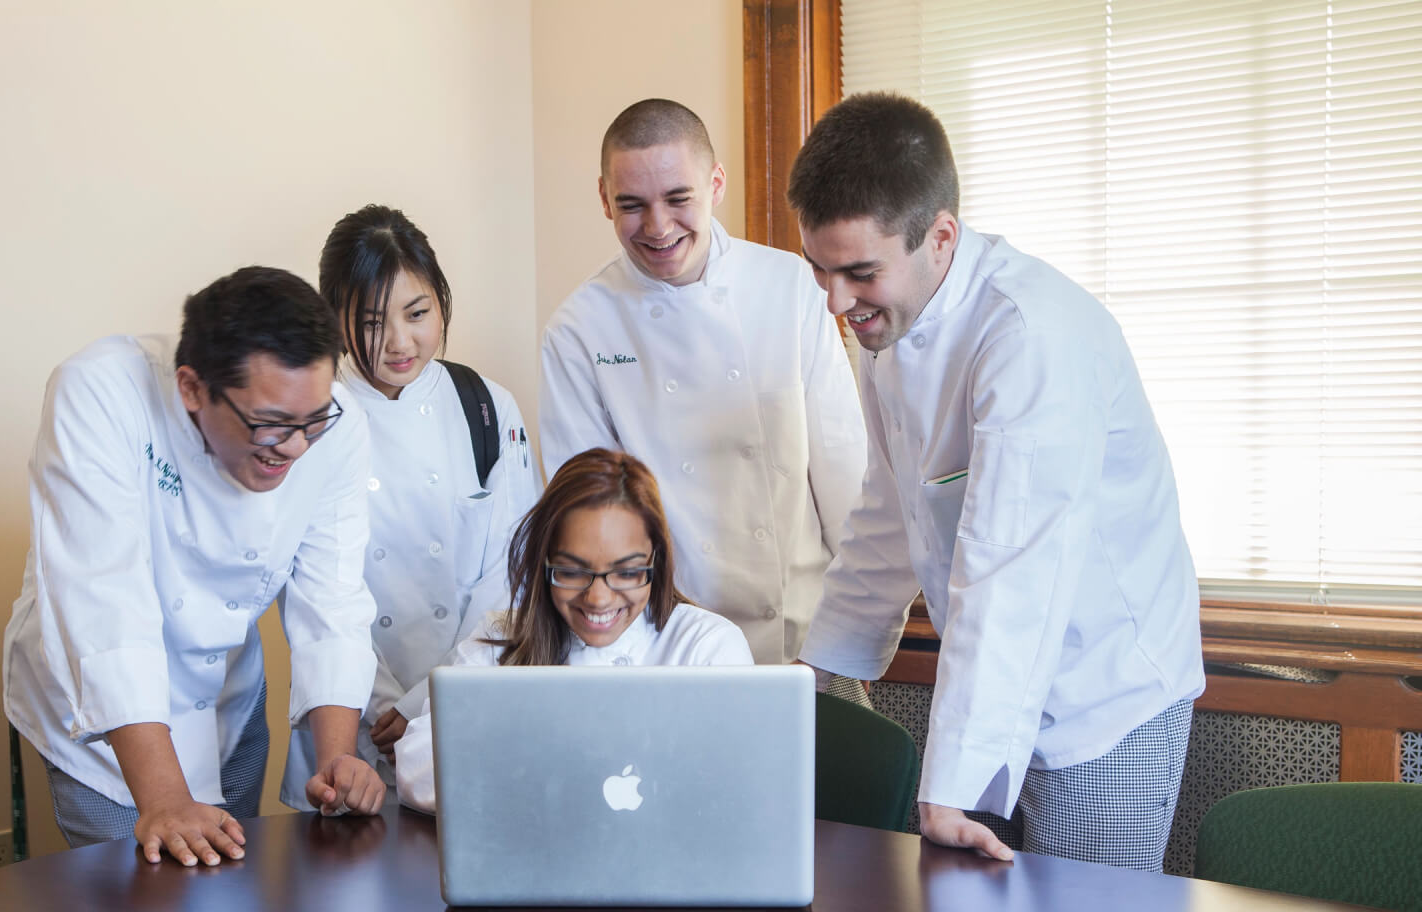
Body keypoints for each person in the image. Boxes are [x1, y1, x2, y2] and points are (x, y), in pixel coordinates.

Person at [788, 93, 1204, 871]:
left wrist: (953, 782)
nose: (837, 303)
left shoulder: (1030, 336)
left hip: (1102, 693)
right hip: (997, 674)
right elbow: (892, 506)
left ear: (940, 236)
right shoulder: (892, 321)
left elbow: (1013, 568)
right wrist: (821, 671)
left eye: (858, 272)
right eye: (820, 270)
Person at [3, 266, 386, 867]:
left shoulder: (332, 426)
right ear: (191, 388)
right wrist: (163, 798)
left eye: (313, 422)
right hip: (110, 725)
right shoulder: (101, 393)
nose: (295, 446)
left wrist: (338, 757)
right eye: (269, 425)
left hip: (229, 693)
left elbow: (331, 598)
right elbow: (104, 603)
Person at [538, 98, 867, 668]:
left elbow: (843, 469)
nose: (658, 227)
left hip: (804, 638)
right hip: (666, 646)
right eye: (632, 205)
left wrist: (851, 636)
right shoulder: (579, 328)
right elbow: (590, 522)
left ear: (715, 183)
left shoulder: (790, 285)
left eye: (678, 198)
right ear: (603, 199)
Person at [277, 206, 542, 807]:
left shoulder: (486, 407)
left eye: (417, 313)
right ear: (334, 320)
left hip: (469, 704)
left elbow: (514, 573)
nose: (399, 342)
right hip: (347, 720)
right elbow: (312, 589)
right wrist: (374, 704)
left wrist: (429, 698)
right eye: (371, 321)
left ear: (441, 302)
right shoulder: (311, 415)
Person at [393, 448, 755, 812]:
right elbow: (418, 770)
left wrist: (522, 752)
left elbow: (735, 789)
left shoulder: (707, 647)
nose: (598, 598)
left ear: (655, 563)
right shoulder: (502, 638)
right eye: (572, 571)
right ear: (543, 562)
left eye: (627, 572)